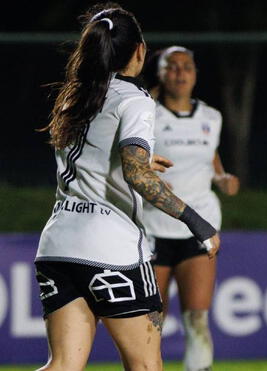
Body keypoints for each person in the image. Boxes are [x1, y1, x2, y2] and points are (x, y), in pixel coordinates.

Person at [35, 4, 220, 371]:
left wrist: (135, 161)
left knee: (62, 366)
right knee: (147, 366)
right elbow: (137, 175)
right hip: (110, 248)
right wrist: (198, 223)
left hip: (57, 246)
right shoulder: (135, 100)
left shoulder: (74, 96)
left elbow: (94, 155)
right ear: (140, 50)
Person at [143, 46, 240, 371]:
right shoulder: (146, 114)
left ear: (196, 73)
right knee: (150, 320)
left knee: (197, 317)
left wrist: (224, 179)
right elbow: (130, 164)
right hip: (154, 227)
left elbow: (212, 164)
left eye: (187, 66)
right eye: (172, 67)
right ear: (160, 73)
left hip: (199, 225)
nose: (180, 73)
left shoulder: (211, 118)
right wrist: (149, 180)